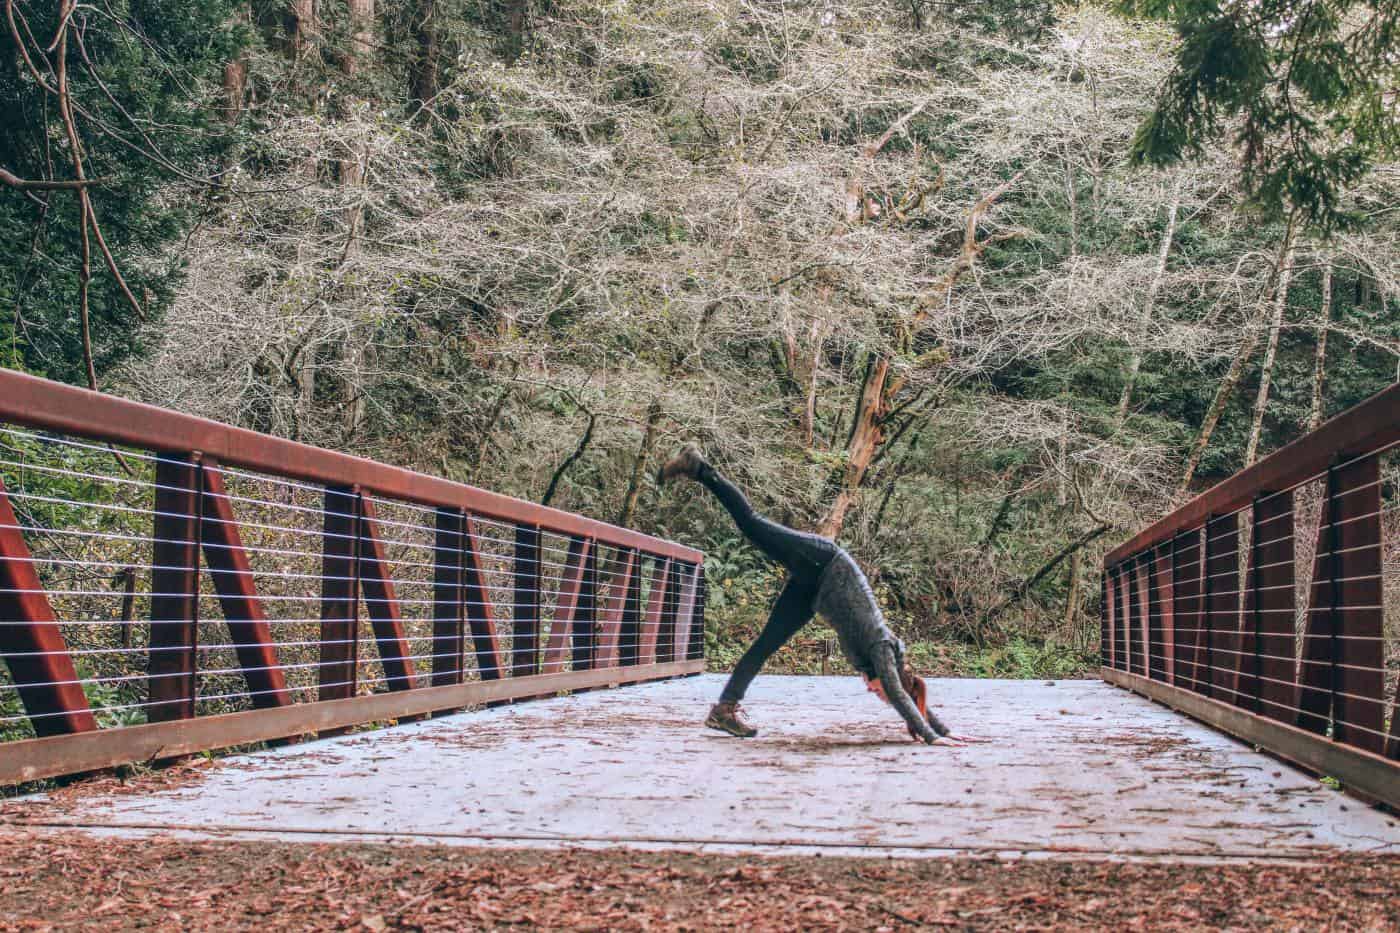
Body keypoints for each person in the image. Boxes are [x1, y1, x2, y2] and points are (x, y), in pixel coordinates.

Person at [657, 445, 974, 746]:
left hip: (815, 591)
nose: (871, 691)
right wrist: (934, 738)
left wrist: (943, 729)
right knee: (752, 524)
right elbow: (900, 693)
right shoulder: (882, 650)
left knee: (766, 643)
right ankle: (698, 467)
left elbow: (907, 694)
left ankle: (724, 710)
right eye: (877, 692)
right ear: (887, 678)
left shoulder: (881, 664)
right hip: (824, 562)